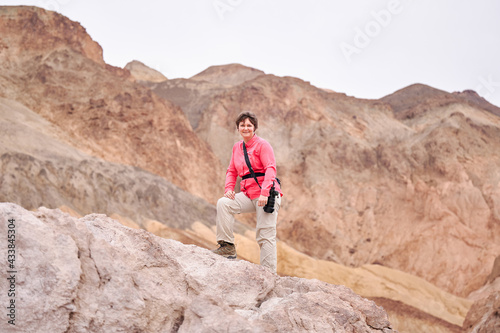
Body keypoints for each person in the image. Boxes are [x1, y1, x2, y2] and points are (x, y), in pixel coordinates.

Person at [213, 111, 283, 272]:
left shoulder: (262, 145)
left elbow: (271, 169)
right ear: (238, 128)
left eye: (249, 125)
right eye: (242, 125)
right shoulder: (237, 147)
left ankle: (268, 274)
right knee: (224, 203)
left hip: (266, 194)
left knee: (265, 234)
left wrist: (265, 193)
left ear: (254, 128)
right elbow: (231, 171)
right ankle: (227, 247)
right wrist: (229, 189)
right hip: (247, 193)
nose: (245, 128)